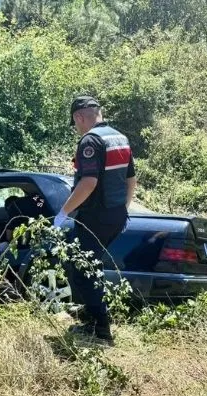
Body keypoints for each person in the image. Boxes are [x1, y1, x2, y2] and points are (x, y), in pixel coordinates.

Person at [54, 96, 137, 344]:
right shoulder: (119, 138)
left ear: (79, 117)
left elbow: (88, 183)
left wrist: (63, 213)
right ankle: (93, 314)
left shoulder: (90, 140)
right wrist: (122, 208)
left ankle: (100, 329)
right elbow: (131, 179)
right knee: (93, 265)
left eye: (75, 123)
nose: (77, 128)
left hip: (95, 216)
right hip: (116, 214)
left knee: (82, 269)